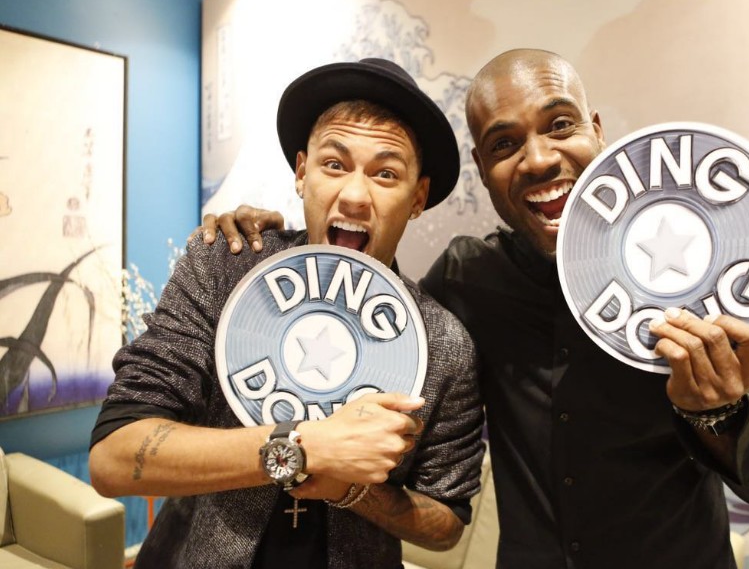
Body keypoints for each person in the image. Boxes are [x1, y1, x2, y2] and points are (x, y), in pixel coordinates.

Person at [203, 49, 749, 569]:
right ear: (482, 167)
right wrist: (273, 248)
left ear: (597, 131)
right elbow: (366, 318)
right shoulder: (466, 279)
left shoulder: (707, 278)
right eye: (505, 143)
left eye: (560, 125)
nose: (539, 158)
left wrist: (724, 414)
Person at [89, 58, 485, 569]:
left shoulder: (444, 343)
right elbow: (114, 456)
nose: (354, 195)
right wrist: (304, 446)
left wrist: (352, 490)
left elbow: (446, 522)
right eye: (334, 165)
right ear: (302, 173)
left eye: (386, 173)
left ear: (418, 197)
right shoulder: (225, 268)